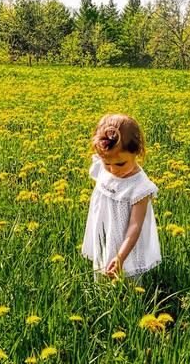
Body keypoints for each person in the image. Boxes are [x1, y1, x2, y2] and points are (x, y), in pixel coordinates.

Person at [81, 113, 162, 286]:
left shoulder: (140, 186)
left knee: (130, 274)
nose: (112, 170)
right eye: (106, 163)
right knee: (102, 265)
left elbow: (135, 226)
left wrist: (120, 256)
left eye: (120, 164)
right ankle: (101, 296)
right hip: (104, 231)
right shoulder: (104, 166)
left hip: (127, 241)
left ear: (137, 152)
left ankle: (135, 303)